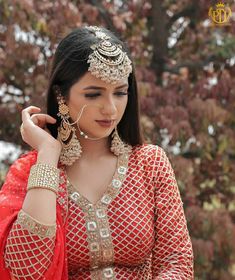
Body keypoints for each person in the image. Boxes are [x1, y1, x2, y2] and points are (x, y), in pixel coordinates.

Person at [0, 26, 194, 279]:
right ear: (61, 95)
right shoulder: (33, 172)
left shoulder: (149, 163)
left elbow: (176, 262)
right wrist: (48, 153)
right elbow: (26, 269)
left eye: (120, 93)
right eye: (94, 94)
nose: (111, 109)